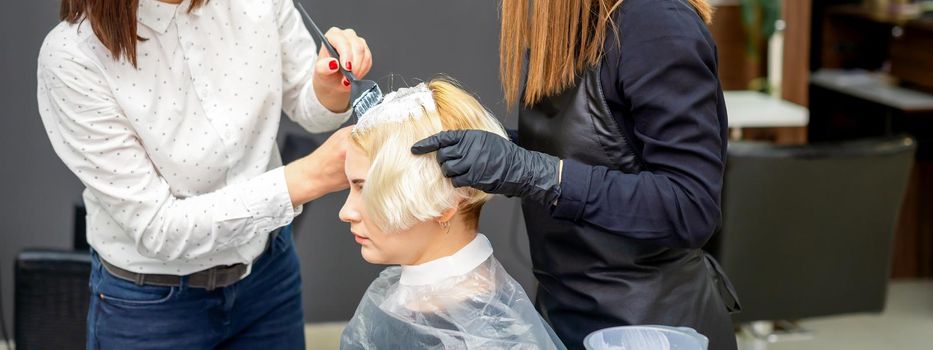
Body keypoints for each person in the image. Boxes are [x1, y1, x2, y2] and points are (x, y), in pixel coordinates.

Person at [36, 0, 371, 348]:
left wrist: (328, 87)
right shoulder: (73, 57)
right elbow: (160, 228)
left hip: (268, 276)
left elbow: (309, 104)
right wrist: (307, 178)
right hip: (151, 308)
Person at [412, 0, 741, 349]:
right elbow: (602, 151)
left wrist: (533, 172)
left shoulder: (655, 24)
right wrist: (501, 154)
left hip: (649, 329)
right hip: (563, 315)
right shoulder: (569, 29)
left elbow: (690, 206)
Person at [338, 80, 565, 350]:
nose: (345, 212)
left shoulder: (488, 339)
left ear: (444, 204)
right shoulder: (390, 295)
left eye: (365, 188)